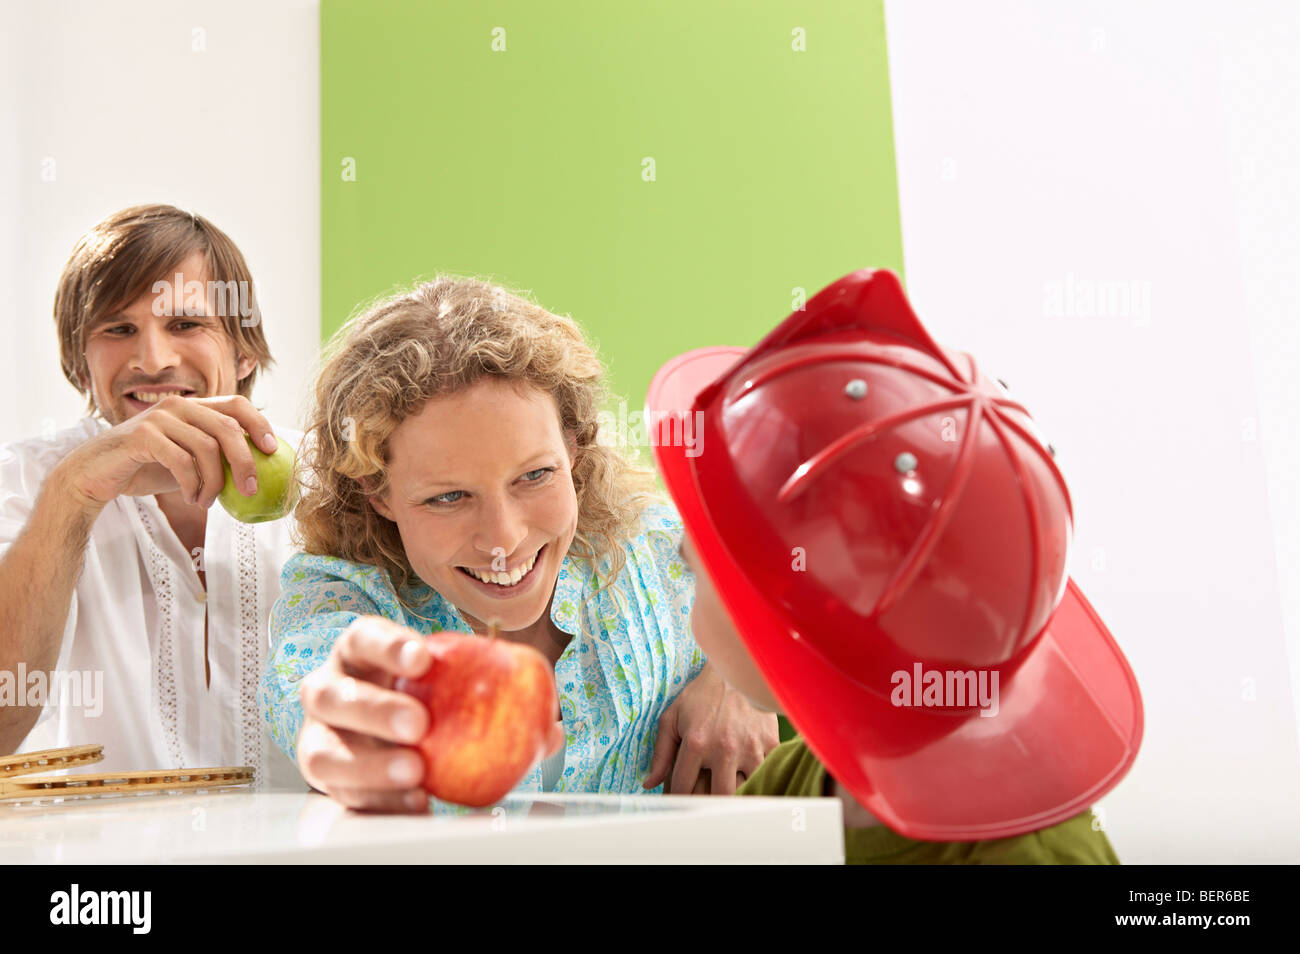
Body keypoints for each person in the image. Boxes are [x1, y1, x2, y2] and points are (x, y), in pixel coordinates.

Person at [646, 268, 1144, 863]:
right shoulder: (798, 783)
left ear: (795, 628)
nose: (682, 550)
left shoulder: (1028, 858)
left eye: (707, 555)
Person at [260, 277, 779, 812]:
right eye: (448, 497)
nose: (504, 539)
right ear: (377, 491)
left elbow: (794, 583)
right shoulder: (344, 597)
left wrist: (737, 676)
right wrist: (341, 721)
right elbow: (310, 683)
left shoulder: (658, 547)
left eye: (534, 476)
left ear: (573, 446)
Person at [0, 204, 306, 789]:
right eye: (118, 329)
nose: (153, 360)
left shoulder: (326, 479)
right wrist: (74, 495)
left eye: (186, 325)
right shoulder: (23, 481)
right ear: (79, 362)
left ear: (243, 352)